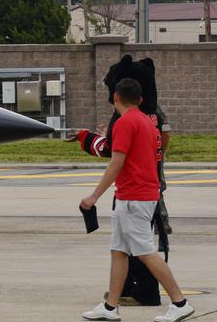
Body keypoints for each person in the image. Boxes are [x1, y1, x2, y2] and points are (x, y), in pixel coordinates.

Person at [80, 78, 193, 322]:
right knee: (118, 251)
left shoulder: (124, 123)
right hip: (138, 195)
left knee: (145, 252)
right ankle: (110, 308)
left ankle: (180, 302)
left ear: (115, 98)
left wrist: (94, 195)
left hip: (134, 197)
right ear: (140, 99)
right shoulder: (147, 122)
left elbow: (116, 161)